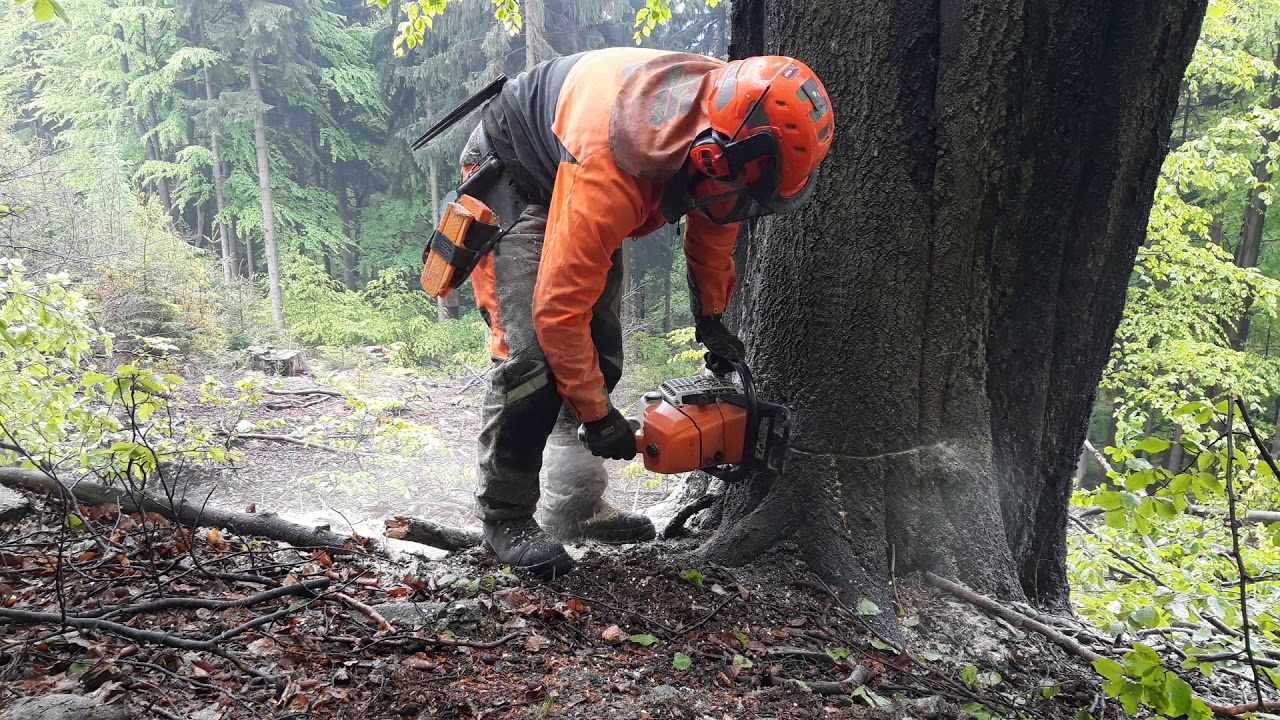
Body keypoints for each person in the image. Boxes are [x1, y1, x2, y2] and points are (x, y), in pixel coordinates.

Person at [455, 46, 834, 579]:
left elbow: (715, 228)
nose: (741, 208)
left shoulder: (726, 128)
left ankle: (573, 504)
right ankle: (505, 515)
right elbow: (558, 312)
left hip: (576, 169)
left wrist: (712, 318)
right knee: (538, 360)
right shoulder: (613, 166)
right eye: (741, 193)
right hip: (516, 173)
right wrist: (597, 417)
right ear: (709, 158)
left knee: (599, 354)